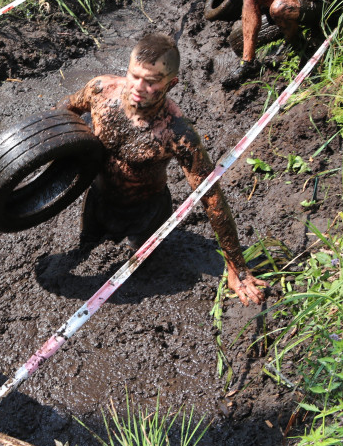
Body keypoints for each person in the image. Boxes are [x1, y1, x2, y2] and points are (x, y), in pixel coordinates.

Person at [61, 33, 268, 306]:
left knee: (139, 274)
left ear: (171, 84)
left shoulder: (177, 133)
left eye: (151, 82)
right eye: (135, 75)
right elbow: (63, 113)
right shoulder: (100, 90)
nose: (138, 87)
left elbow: (212, 198)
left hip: (146, 212)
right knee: (85, 247)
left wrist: (237, 269)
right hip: (97, 199)